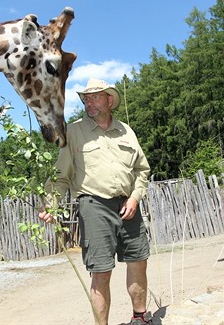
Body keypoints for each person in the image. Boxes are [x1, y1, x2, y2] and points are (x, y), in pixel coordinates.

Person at [39, 78, 152, 325]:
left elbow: (142, 170)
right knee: (101, 271)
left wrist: (134, 198)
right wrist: (51, 204)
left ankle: (140, 317)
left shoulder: (126, 131)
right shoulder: (75, 131)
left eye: (95, 97)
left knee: (138, 260)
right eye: (86, 98)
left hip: (129, 206)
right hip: (94, 206)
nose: (88, 102)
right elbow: (61, 176)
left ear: (109, 100)